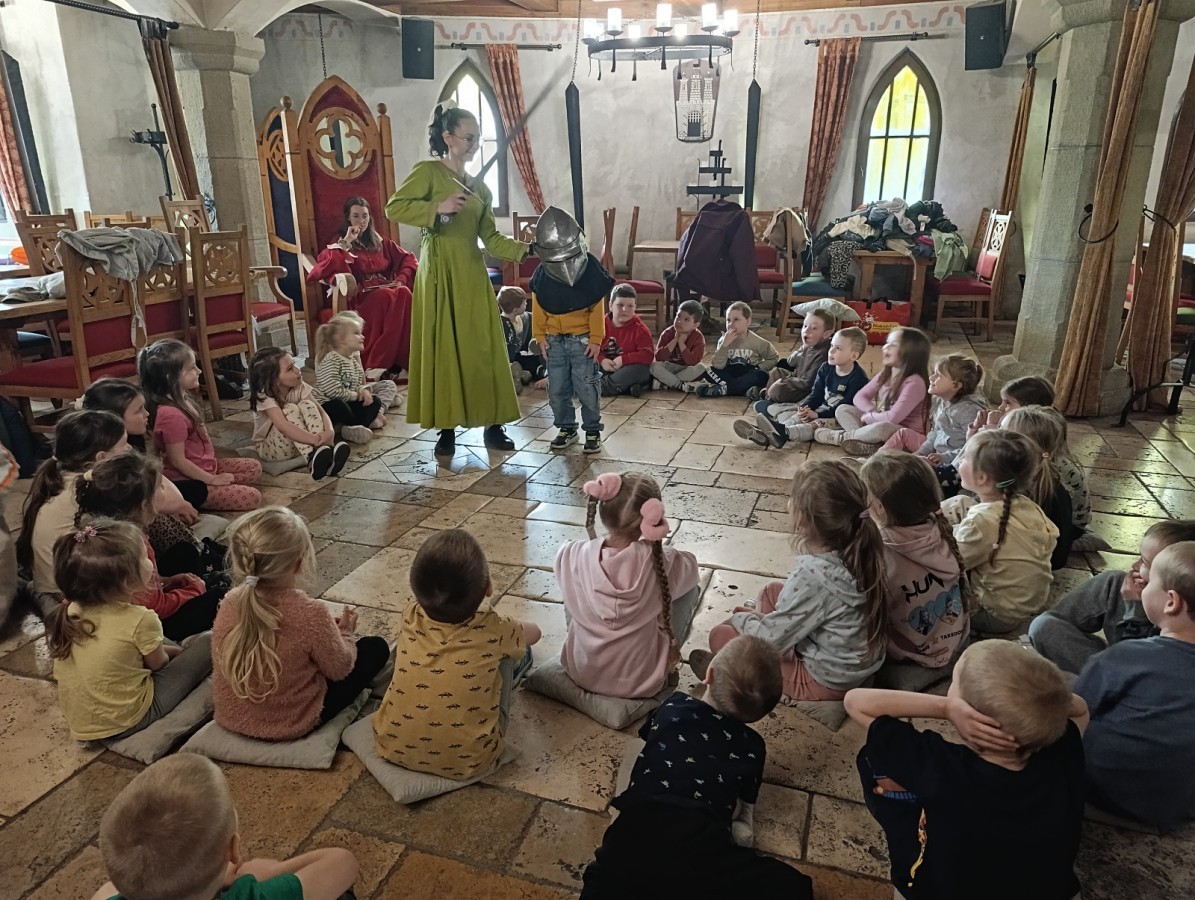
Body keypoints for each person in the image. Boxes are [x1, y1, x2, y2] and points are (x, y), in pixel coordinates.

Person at [845, 641, 1088, 900]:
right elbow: (1080, 708)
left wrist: (946, 708)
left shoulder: (940, 767)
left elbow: (855, 702)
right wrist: (1038, 705)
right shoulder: (1063, 752)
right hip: (1051, 892)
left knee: (870, 758)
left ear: (971, 717)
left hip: (942, 893)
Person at [580, 635, 814, 900]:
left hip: (638, 820)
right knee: (792, 886)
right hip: (700, 836)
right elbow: (748, 797)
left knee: (607, 877)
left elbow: (647, 734)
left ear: (708, 675)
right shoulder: (752, 745)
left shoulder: (673, 705)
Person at [386, 105, 530, 458]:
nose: (475, 143)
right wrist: (438, 206)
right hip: (438, 273)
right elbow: (394, 208)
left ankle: (493, 424)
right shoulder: (428, 172)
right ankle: (446, 429)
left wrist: (527, 250)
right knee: (444, 347)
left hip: (471, 272)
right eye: (469, 137)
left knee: (484, 347)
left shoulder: (481, 189)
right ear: (448, 138)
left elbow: (491, 239)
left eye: (477, 138)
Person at [693, 460, 886, 701]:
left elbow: (770, 642)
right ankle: (766, 629)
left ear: (803, 519)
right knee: (771, 591)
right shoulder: (861, 546)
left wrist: (741, 620)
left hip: (826, 679)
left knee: (720, 634)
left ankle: (729, 674)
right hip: (851, 659)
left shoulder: (813, 578)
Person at [372, 528, 541, 779]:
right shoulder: (494, 628)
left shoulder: (410, 614)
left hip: (390, 744)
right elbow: (535, 633)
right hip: (472, 759)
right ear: (489, 588)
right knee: (512, 652)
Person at [212, 507, 390, 741]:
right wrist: (346, 634)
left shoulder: (230, 601)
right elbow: (340, 669)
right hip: (291, 723)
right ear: (298, 564)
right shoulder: (310, 612)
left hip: (231, 716)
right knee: (375, 647)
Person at [92, 753, 359, 900]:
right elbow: (342, 861)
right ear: (232, 850)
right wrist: (269, 872)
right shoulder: (251, 895)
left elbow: (104, 893)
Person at [47, 518, 213, 742]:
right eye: (144, 556)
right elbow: (159, 665)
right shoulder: (139, 619)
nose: (150, 560)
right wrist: (181, 653)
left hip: (82, 722)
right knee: (209, 641)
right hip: (128, 720)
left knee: (153, 640)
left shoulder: (71, 610)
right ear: (127, 581)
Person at [1074, 540, 1195, 833]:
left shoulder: (1127, 656)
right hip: (1177, 810)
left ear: (1171, 602)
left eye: (1151, 581)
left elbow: (1071, 713)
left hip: (1101, 794)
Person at [556, 472, 701, 699]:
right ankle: (666, 655)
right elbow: (692, 570)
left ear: (601, 509)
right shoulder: (664, 561)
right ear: (650, 519)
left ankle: (587, 648)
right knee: (689, 587)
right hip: (643, 682)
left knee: (572, 582)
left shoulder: (570, 552)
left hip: (581, 673)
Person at [75, 453, 222, 642]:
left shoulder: (103, 533)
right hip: (147, 624)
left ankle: (203, 582)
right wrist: (194, 590)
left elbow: (141, 590)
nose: (164, 489)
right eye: (160, 487)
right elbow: (155, 608)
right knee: (219, 597)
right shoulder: (132, 545)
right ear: (143, 505)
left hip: (128, 607)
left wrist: (167, 582)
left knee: (184, 552)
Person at [82, 379, 214, 577]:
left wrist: (176, 502)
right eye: (139, 410)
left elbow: (157, 480)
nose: (147, 414)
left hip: (144, 506)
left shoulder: (124, 445)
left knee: (194, 490)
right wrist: (176, 504)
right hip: (129, 543)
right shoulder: (110, 466)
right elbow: (160, 492)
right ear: (115, 417)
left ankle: (197, 550)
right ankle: (197, 553)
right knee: (163, 520)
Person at [1028, 519, 1195, 674]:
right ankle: (1035, 652)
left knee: (1043, 629)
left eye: (1145, 563)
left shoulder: (1181, 626)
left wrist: (1135, 608)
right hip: (1112, 662)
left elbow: (1135, 670)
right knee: (1114, 580)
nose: (1134, 565)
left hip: (1125, 677)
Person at [860, 451, 968, 668]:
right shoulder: (941, 527)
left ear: (879, 507)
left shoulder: (879, 549)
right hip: (956, 638)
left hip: (910, 652)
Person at [951, 429, 1058, 634]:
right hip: (1022, 607)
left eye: (964, 458)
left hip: (994, 614)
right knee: (961, 505)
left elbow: (953, 563)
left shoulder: (982, 520)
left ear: (982, 478)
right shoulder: (1027, 505)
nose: (960, 461)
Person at [140, 339, 262, 512]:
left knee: (254, 467)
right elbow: (177, 460)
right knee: (252, 497)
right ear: (170, 376)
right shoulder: (170, 415)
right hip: (188, 480)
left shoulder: (183, 398)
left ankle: (220, 487)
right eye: (191, 368)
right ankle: (199, 496)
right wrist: (211, 480)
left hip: (206, 467)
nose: (199, 371)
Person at [531, 206, 615, 455]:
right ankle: (567, 428)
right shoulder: (543, 275)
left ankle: (592, 430)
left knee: (587, 388)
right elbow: (539, 305)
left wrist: (596, 339)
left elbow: (596, 309)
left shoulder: (590, 272)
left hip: (582, 342)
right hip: (554, 343)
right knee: (557, 389)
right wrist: (539, 336)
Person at [19, 409, 128, 599]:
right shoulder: (90, 488)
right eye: (124, 444)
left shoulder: (61, 477)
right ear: (101, 458)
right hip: (68, 596)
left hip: (52, 588)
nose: (129, 449)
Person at [306, 194, 417, 375]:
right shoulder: (340, 241)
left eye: (365, 216)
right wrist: (347, 242)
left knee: (404, 292)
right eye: (356, 216)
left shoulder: (379, 240)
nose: (361, 221)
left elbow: (408, 258)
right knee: (389, 295)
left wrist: (401, 279)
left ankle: (403, 360)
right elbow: (328, 264)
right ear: (348, 217)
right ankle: (379, 363)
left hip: (387, 287)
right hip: (360, 295)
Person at [736, 326, 868, 448]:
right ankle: (775, 430)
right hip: (823, 409)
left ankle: (786, 433)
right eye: (832, 345)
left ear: (854, 356)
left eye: (838, 348)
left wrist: (817, 414)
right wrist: (806, 408)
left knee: (813, 426)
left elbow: (844, 408)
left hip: (839, 418)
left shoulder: (859, 379)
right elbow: (816, 394)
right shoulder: (826, 368)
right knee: (798, 415)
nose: (831, 350)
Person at [815, 326, 931, 458]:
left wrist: (871, 417)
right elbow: (859, 397)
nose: (885, 347)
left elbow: (894, 418)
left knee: (882, 427)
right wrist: (872, 411)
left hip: (906, 434)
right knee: (843, 409)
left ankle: (841, 437)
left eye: (893, 345)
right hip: (882, 421)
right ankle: (864, 440)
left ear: (910, 353)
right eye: (887, 343)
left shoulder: (915, 383)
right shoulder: (887, 373)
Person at [248, 347, 350, 480]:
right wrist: (315, 440)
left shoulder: (298, 385)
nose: (297, 369)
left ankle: (327, 453)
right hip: (270, 450)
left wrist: (329, 432)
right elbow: (283, 426)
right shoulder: (264, 395)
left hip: (300, 443)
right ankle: (311, 458)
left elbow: (320, 410)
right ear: (274, 380)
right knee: (289, 408)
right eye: (290, 369)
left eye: (294, 364)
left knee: (307, 404)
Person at [1001, 405, 1076, 569]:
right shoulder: (1015, 476)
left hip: (1029, 565)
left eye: (1005, 437)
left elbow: (1057, 556)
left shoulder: (1050, 494)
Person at [314, 311, 401, 445]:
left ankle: (351, 428)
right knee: (339, 405)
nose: (362, 336)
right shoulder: (331, 359)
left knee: (375, 401)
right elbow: (332, 391)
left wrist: (363, 391)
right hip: (328, 404)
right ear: (341, 339)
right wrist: (357, 396)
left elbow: (357, 383)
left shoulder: (352, 362)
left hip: (348, 400)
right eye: (356, 333)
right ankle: (354, 425)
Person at [899, 354, 986, 460]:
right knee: (901, 433)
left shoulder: (969, 411)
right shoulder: (942, 401)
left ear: (956, 386)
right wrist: (920, 452)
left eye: (938, 375)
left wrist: (944, 458)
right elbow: (937, 432)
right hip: (937, 454)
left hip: (954, 464)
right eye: (934, 373)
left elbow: (973, 449)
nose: (931, 378)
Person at [694, 302, 780, 397]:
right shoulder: (723, 340)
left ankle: (724, 390)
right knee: (709, 371)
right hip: (729, 372)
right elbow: (718, 365)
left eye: (736, 319)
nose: (731, 324)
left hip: (748, 372)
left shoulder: (757, 341)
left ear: (748, 321)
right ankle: (744, 390)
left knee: (762, 375)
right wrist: (724, 345)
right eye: (728, 320)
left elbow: (773, 358)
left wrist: (759, 366)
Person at [763, 308, 833, 403]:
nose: (806, 331)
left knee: (778, 389)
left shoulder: (823, 354)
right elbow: (797, 371)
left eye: (814, 328)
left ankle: (770, 397)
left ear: (826, 334)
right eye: (805, 326)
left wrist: (786, 382)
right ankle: (768, 398)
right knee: (777, 372)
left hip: (807, 390)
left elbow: (809, 384)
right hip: (799, 381)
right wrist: (788, 378)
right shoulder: (809, 346)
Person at [598, 284, 654, 398]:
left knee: (642, 370)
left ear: (635, 307)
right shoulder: (599, 326)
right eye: (620, 305)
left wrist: (623, 360)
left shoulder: (641, 330)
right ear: (610, 305)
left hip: (627, 369)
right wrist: (602, 360)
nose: (625, 310)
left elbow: (648, 355)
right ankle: (626, 388)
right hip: (604, 367)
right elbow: (590, 347)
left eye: (630, 306)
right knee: (585, 362)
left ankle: (599, 388)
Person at [649, 299, 708, 392]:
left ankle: (666, 383)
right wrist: (675, 340)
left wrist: (681, 343)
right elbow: (659, 357)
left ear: (695, 325)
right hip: (669, 366)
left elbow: (693, 362)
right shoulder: (667, 333)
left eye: (686, 319)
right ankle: (680, 385)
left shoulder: (698, 338)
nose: (679, 321)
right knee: (654, 366)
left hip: (685, 368)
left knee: (701, 368)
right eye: (678, 316)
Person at [498, 285, 546, 391]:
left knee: (536, 361)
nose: (526, 304)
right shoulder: (502, 324)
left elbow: (534, 318)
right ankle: (515, 377)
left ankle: (541, 374)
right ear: (515, 310)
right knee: (516, 365)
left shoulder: (523, 318)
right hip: (509, 359)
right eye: (524, 303)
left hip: (521, 355)